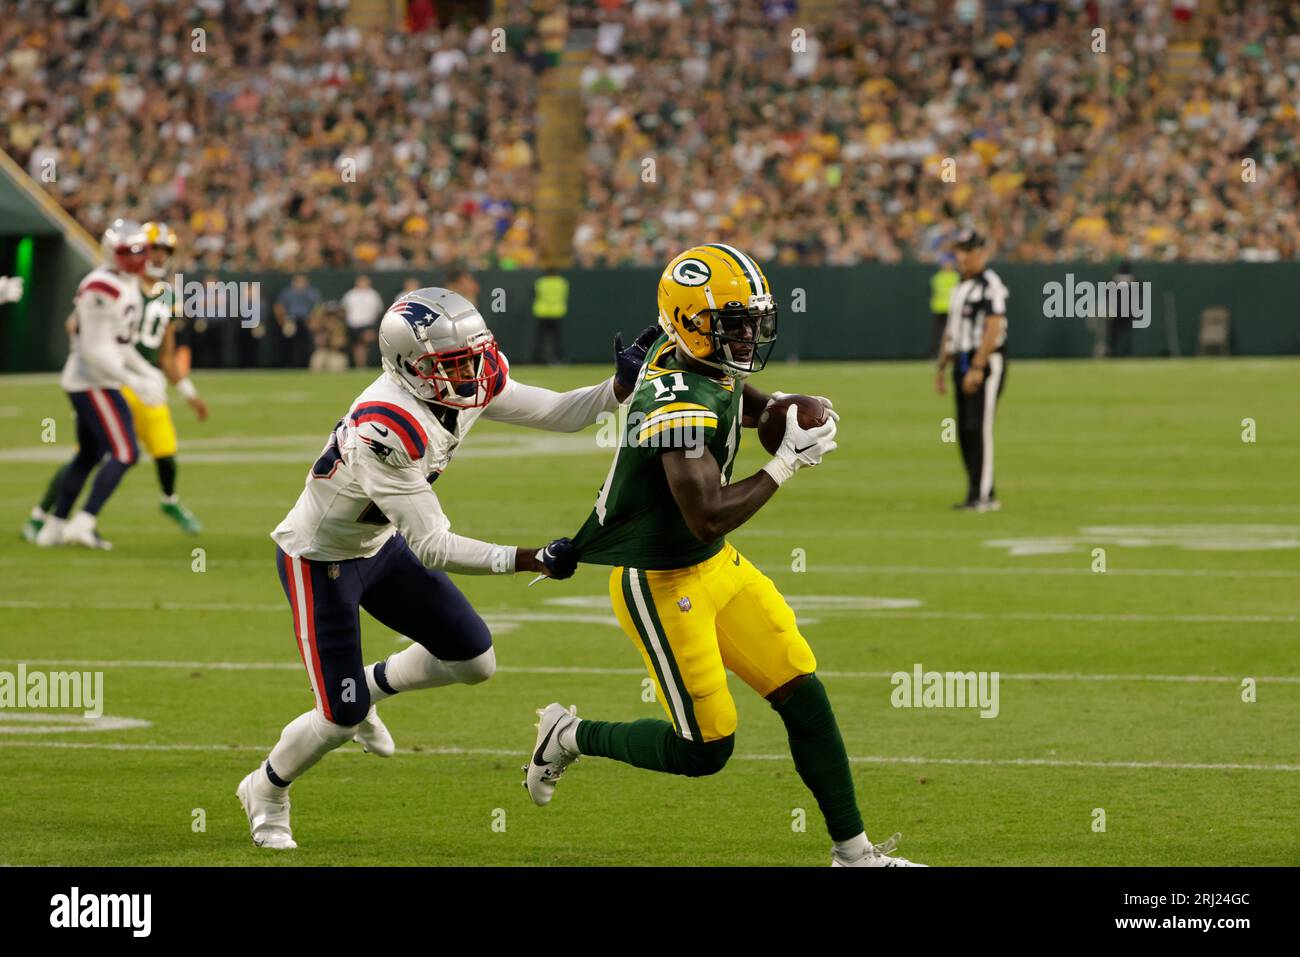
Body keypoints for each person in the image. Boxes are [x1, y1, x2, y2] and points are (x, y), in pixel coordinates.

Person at [521, 244, 923, 867]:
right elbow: (705, 514)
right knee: (705, 749)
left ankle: (855, 855)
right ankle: (569, 735)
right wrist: (787, 461)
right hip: (660, 580)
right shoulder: (673, 401)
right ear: (690, 323)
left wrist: (784, 412)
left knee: (802, 692)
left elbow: (735, 394)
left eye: (752, 321)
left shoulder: (684, 346)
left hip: (716, 566)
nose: (746, 335)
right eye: (732, 324)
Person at [236, 286, 659, 850]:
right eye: (451, 363)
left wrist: (618, 390)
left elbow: (557, 412)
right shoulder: (387, 424)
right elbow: (434, 546)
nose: (470, 372)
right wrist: (527, 559)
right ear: (408, 366)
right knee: (338, 719)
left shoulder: (468, 380)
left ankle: (369, 687)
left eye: (473, 356)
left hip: (380, 544)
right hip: (320, 559)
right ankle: (265, 789)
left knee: (474, 659)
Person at [23, 222, 208, 540]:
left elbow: (163, 352)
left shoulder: (160, 294)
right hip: (105, 379)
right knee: (103, 453)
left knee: (158, 451)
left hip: (135, 376)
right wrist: (130, 375)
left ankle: (167, 501)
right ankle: (56, 518)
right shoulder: (113, 284)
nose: (157, 258)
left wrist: (171, 385)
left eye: (162, 252)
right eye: (154, 250)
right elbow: (79, 329)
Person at [935, 228, 1008, 512]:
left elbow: (994, 325)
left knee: (979, 427)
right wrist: (942, 367)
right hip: (962, 359)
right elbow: (952, 331)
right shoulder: (959, 286)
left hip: (985, 360)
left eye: (966, 251)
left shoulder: (990, 284)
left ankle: (983, 495)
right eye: (958, 251)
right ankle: (978, 489)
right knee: (965, 428)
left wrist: (978, 365)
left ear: (980, 252)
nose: (960, 257)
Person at [272, 274, 320, 367]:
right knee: (288, 345)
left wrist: (314, 320)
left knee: (306, 345)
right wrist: (283, 321)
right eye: (298, 281)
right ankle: (288, 365)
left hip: (306, 321)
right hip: (291, 321)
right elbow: (278, 306)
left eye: (302, 281)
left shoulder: (311, 292)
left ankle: (304, 365)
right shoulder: (287, 292)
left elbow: (318, 307)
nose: (300, 284)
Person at [340, 274, 384, 368]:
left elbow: (378, 310)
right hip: (353, 325)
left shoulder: (373, 294)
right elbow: (344, 309)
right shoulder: (350, 294)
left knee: (363, 345)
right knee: (358, 347)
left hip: (368, 324)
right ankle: (360, 366)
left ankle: (363, 366)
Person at [532, 266, 568, 363]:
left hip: (542, 312)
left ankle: (537, 359)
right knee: (557, 339)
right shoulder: (561, 282)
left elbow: (537, 294)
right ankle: (558, 359)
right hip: (557, 312)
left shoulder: (541, 282)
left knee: (540, 339)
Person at [928, 253, 959, 359]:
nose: (948, 265)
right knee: (938, 334)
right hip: (940, 308)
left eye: (949, 263)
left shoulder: (956, 276)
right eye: (946, 263)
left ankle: (952, 354)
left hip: (952, 309)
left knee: (953, 333)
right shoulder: (937, 277)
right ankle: (934, 355)